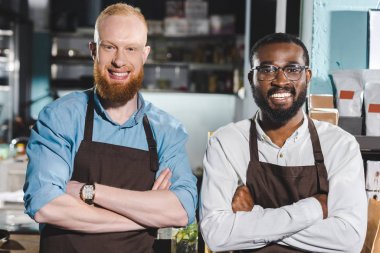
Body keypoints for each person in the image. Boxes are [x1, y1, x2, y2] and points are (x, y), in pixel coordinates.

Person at [23, 3, 197, 253]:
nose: (119, 60)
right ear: (93, 50)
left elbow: (181, 212)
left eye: (131, 48)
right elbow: (45, 205)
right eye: (109, 46)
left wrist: (89, 192)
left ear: (144, 54)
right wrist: (142, 218)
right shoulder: (62, 116)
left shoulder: (166, 130)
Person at [199, 33, 367, 252]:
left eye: (292, 69)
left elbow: (349, 239)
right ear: (252, 79)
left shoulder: (340, 145)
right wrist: (314, 209)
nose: (280, 80)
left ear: (307, 76)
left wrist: (253, 216)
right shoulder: (226, 142)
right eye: (267, 69)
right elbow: (216, 234)